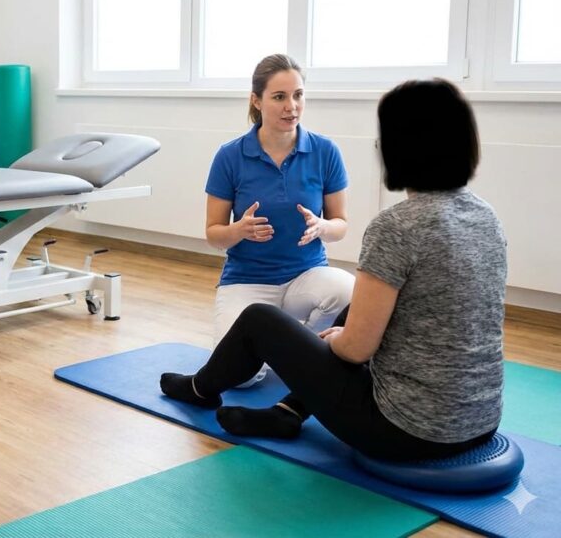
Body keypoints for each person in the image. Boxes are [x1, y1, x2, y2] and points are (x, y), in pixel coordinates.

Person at [162, 78, 506, 461]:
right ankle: (287, 411)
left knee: (260, 320)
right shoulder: (485, 215)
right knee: (356, 300)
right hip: (481, 420)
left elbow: (357, 349)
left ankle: (199, 388)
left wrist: (334, 341)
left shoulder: (396, 226)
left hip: (406, 429)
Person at [205, 54, 354, 387]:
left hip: (306, 278)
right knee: (241, 378)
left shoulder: (324, 151)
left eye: (298, 95)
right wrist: (238, 230)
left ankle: (291, 346)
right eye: (279, 97)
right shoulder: (230, 155)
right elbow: (214, 234)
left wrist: (322, 226)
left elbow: (341, 223)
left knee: (348, 289)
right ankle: (281, 347)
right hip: (248, 281)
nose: (292, 106)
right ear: (256, 101)